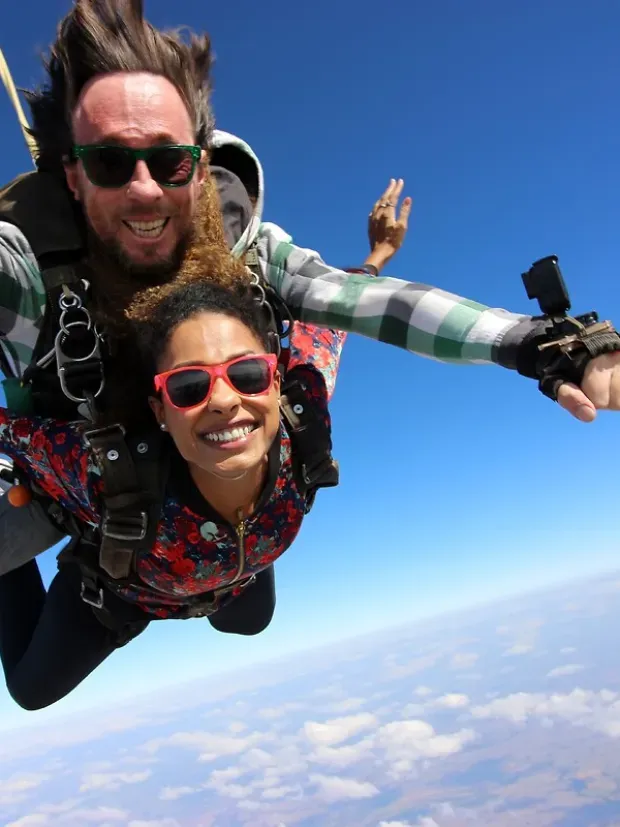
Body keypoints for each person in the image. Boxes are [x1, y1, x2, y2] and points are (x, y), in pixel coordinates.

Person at [0, 256, 345, 711]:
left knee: (250, 621)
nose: (224, 400)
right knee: (31, 691)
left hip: (234, 578)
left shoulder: (304, 423)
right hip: (119, 594)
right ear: (160, 410)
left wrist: (374, 260)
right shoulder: (110, 473)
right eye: (188, 387)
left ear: (276, 382)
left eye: (247, 374)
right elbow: (21, 434)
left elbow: (330, 326)